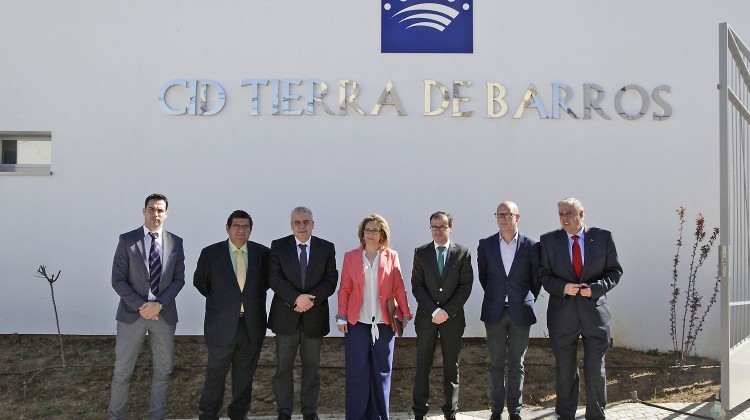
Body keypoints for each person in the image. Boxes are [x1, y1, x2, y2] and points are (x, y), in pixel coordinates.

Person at [539, 198, 623, 420]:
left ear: (582, 214)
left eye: (569, 213)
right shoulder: (548, 241)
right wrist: (563, 287)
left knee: (595, 368)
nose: (564, 218)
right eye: (561, 214)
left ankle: (596, 414)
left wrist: (595, 289)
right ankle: (565, 414)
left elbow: (614, 272)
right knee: (565, 368)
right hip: (562, 315)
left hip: (595, 314)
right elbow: (543, 276)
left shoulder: (602, 238)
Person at [108, 193, 185, 420]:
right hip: (132, 314)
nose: (155, 214)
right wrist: (142, 306)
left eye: (160, 210)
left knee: (163, 371)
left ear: (166, 214)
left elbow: (179, 280)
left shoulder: (176, 242)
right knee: (122, 372)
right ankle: (115, 416)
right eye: (151, 209)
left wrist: (158, 304)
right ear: (144, 211)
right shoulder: (127, 240)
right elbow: (118, 279)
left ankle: (156, 416)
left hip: (164, 315)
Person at [193, 210, 270, 420]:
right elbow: (201, 283)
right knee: (215, 373)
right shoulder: (211, 253)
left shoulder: (263, 254)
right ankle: (208, 414)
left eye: (245, 226)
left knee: (245, 375)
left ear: (251, 230)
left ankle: (238, 414)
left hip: (251, 326)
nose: (241, 230)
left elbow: (266, 283)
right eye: (236, 226)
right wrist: (226, 303)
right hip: (221, 325)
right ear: (227, 228)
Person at [336, 214, 413, 420]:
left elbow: (398, 287)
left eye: (375, 230)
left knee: (382, 373)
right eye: (367, 230)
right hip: (356, 324)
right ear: (362, 233)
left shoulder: (391, 256)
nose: (371, 234)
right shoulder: (350, 257)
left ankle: (379, 416)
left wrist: (405, 312)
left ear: (382, 234)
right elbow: (345, 288)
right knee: (357, 373)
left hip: (384, 324)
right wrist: (341, 314)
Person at [268, 207, 338, 420]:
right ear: (291, 225)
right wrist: (296, 298)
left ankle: (309, 412)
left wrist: (309, 301)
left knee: (312, 370)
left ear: (313, 224)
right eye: (297, 222)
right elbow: (274, 278)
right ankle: (284, 413)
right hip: (285, 317)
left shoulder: (326, 248)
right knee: (283, 369)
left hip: (314, 318)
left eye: (306, 222)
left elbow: (330, 280)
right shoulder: (278, 246)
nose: (302, 226)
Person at [477, 201, 541, 420]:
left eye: (507, 214)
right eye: (499, 214)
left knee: (517, 363)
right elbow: (484, 277)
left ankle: (515, 410)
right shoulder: (486, 245)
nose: (502, 218)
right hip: (494, 311)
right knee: (496, 363)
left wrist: (522, 298)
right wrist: (498, 296)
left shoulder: (531, 246)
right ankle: (496, 410)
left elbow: (536, 280)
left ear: (517, 217)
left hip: (520, 311)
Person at [411, 211, 474, 420]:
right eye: (434, 227)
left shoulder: (462, 253)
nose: (438, 231)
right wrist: (434, 310)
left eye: (442, 227)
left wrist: (446, 311)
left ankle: (450, 411)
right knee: (423, 364)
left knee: (451, 366)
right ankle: (419, 411)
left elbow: (465, 286)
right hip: (427, 318)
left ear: (450, 228)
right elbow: (417, 286)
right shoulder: (421, 252)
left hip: (452, 319)